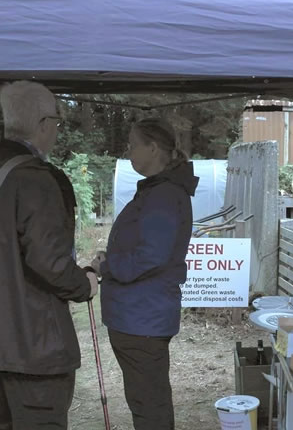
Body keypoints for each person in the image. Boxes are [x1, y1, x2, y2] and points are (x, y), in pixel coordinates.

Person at [0, 81, 98, 429]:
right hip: (35, 343)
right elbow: (49, 261)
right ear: (42, 124)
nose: (56, 129)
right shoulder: (36, 179)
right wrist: (86, 283)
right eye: (56, 121)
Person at [93, 117, 198, 430]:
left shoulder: (164, 194)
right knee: (147, 402)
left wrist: (108, 266)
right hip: (140, 316)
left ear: (153, 148)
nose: (128, 153)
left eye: (133, 145)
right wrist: (111, 257)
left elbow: (151, 255)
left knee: (149, 406)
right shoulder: (158, 190)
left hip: (143, 318)